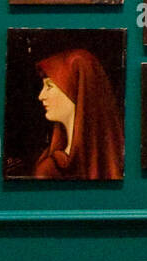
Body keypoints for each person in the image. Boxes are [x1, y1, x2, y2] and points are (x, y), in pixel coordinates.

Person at [33, 48, 123, 179]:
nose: (41, 96)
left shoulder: (114, 159)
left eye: (49, 86)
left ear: (77, 89)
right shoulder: (48, 168)